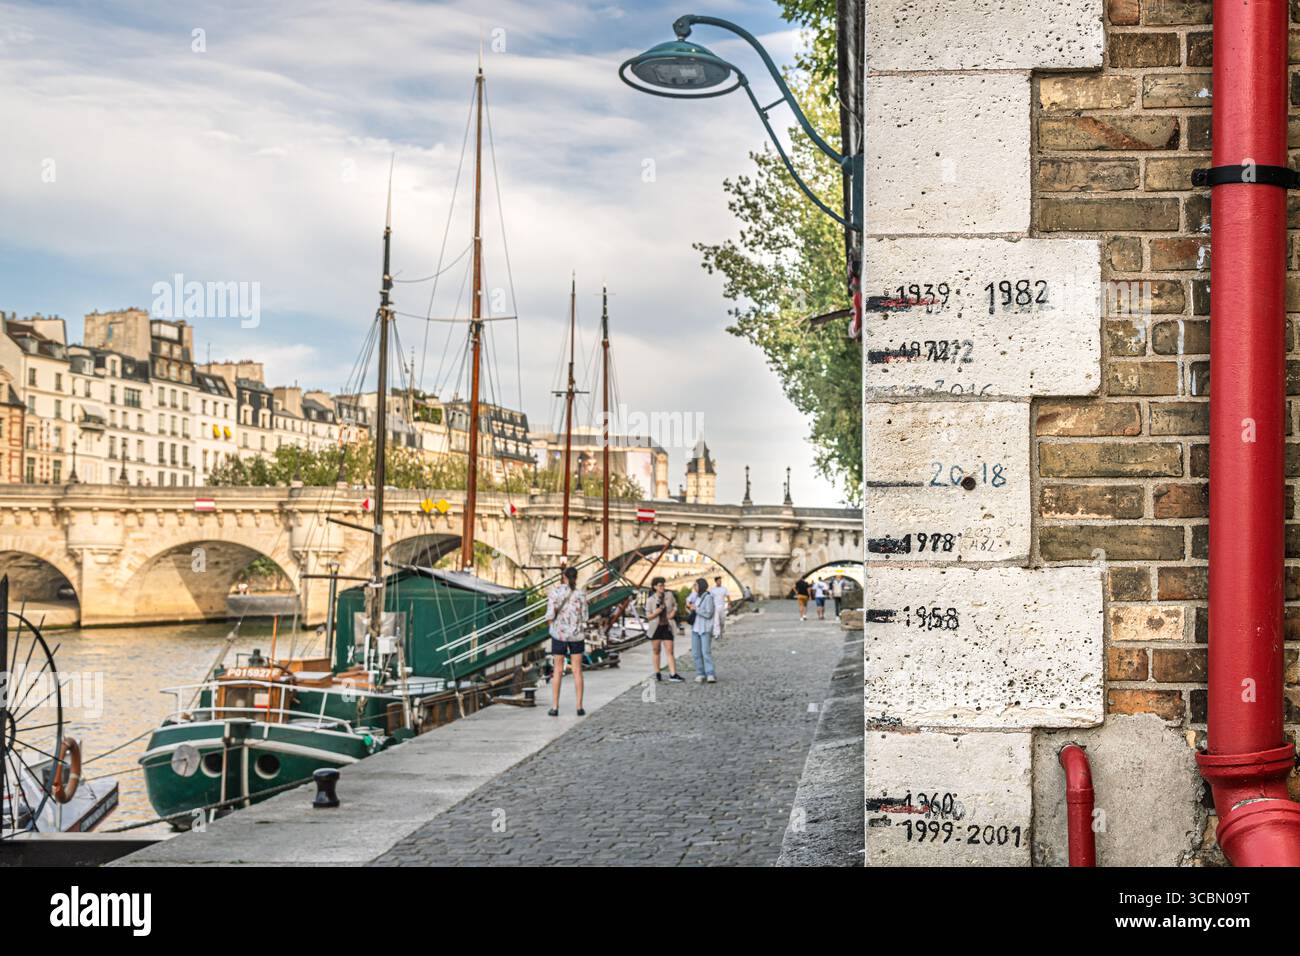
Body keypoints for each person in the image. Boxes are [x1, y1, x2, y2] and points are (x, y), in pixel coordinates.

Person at [546, 565, 589, 716]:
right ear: (576, 578)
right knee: (577, 670)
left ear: (564, 577)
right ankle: (579, 707)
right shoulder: (581, 594)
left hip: (560, 635)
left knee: (557, 670)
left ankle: (555, 707)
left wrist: (553, 627)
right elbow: (585, 617)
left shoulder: (555, 592)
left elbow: (550, 615)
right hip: (576, 636)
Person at [644, 577, 685, 682]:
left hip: (667, 626)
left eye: (663, 585)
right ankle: (657, 673)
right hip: (656, 627)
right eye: (660, 585)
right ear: (654, 587)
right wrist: (656, 612)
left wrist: (673, 613)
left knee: (670, 650)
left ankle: (673, 674)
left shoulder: (669, 595)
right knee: (656, 650)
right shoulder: (650, 600)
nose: (662, 587)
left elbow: (675, 605)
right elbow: (648, 616)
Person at [689, 577, 717, 683]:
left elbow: (709, 613)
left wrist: (696, 609)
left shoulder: (708, 597)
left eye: (695, 585)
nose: (694, 587)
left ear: (701, 586)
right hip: (695, 628)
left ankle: (710, 673)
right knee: (696, 653)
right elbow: (688, 602)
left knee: (706, 652)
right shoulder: (696, 597)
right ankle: (700, 673)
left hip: (705, 628)